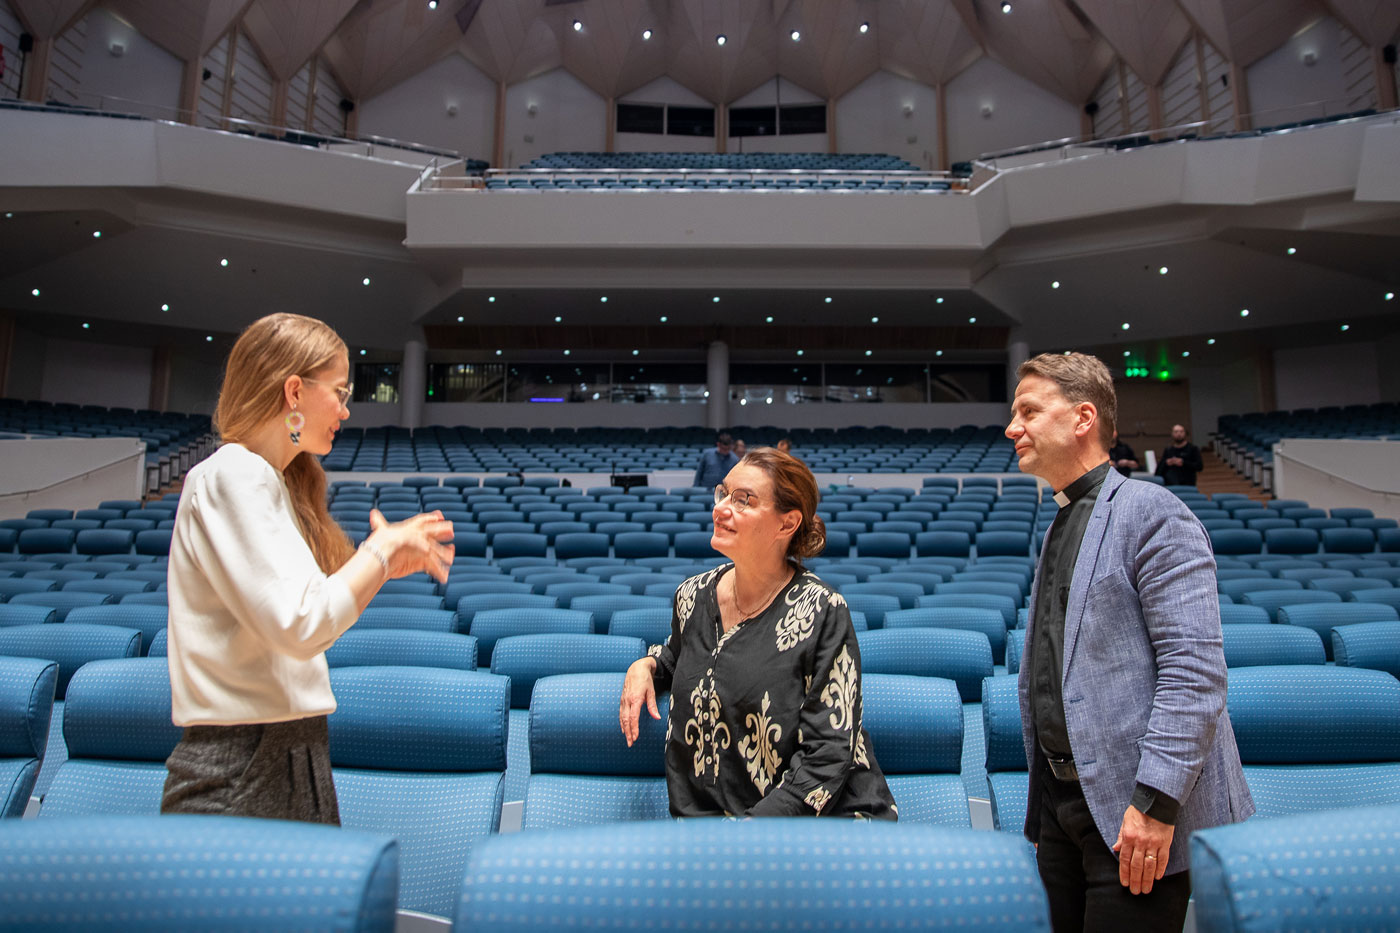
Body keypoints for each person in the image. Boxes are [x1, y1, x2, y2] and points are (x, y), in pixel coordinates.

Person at [161, 313, 454, 824]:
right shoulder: (236, 472)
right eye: (339, 392)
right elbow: (303, 625)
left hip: (286, 753)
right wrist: (379, 555)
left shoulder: (264, 480)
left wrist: (378, 567)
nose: (345, 408)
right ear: (294, 391)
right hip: (244, 767)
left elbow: (306, 623)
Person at [1005, 353, 1252, 933]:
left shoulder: (1154, 512)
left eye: (1029, 411)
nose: (1013, 428)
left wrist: (1155, 804)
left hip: (1135, 812)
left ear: (1083, 417)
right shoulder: (1059, 524)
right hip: (1065, 811)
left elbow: (1194, 673)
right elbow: (1051, 673)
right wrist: (1042, 816)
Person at [619, 447, 896, 819]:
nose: (720, 508)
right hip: (709, 827)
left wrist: (748, 837)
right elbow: (680, 655)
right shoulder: (691, 596)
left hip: (816, 826)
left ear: (787, 524)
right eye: (722, 493)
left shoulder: (822, 610)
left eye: (743, 500)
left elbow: (828, 753)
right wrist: (646, 665)